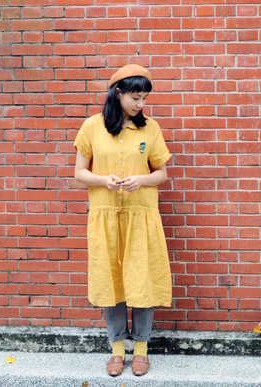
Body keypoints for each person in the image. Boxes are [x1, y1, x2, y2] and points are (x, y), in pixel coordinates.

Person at [73, 64, 172, 377]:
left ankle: (140, 350)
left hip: (140, 216)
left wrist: (140, 180)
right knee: (110, 282)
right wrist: (105, 180)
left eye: (143, 98)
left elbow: (162, 174)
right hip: (104, 217)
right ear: (118, 93)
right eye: (135, 96)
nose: (140, 104)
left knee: (142, 280)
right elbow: (79, 173)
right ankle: (117, 349)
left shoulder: (149, 129)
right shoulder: (92, 126)